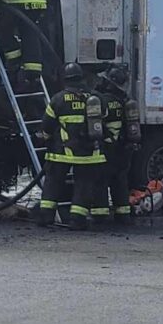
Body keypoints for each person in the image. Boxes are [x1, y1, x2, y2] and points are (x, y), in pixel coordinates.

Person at [37, 62, 108, 230]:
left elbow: (46, 126)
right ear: (81, 78)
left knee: (53, 183)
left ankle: (46, 217)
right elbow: (104, 116)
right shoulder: (95, 98)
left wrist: (46, 139)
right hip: (90, 153)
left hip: (61, 152)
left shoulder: (58, 99)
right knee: (84, 185)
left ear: (65, 80)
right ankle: (77, 220)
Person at [93, 67, 135, 225]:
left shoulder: (101, 101)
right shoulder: (126, 103)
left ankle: (100, 215)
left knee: (101, 182)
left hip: (106, 149)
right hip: (123, 150)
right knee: (120, 182)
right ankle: (123, 215)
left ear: (109, 83)